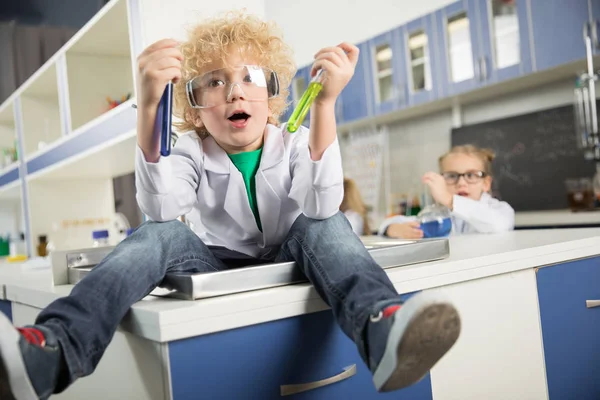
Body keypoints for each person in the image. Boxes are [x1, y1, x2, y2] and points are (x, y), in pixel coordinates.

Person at [0, 12, 460, 399]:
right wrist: (146, 111)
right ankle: (54, 350)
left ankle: (382, 332)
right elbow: (160, 209)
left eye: (251, 78)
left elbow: (322, 204)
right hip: (214, 270)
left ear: (272, 96)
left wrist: (326, 105)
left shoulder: (297, 141)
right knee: (160, 233)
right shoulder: (189, 150)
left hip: (293, 258)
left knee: (323, 223)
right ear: (195, 107)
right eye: (214, 83)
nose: (235, 92)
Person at [379, 145, 515, 239]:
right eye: (452, 176)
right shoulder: (439, 213)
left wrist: (449, 199)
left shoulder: (499, 209)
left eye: (471, 175)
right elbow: (389, 222)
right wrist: (392, 228)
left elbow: (499, 224)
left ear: (485, 184)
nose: (461, 183)